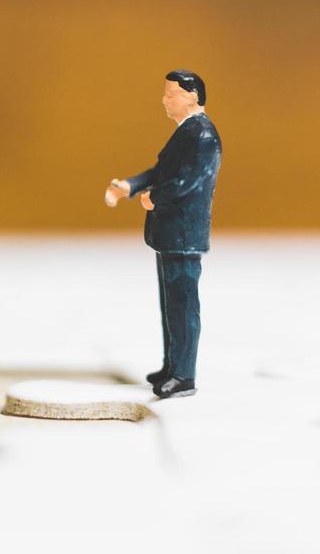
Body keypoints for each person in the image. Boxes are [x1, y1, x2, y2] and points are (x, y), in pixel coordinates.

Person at [105, 69, 221, 399]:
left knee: (183, 307)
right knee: (170, 306)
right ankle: (172, 367)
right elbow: (161, 171)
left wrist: (154, 197)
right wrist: (131, 185)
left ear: (192, 96)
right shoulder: (186, 132)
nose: (164, 100)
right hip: (170, 232)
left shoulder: (203, 136)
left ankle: (184, 375)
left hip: (185, 233)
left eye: (171, 94)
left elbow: (189, 182)